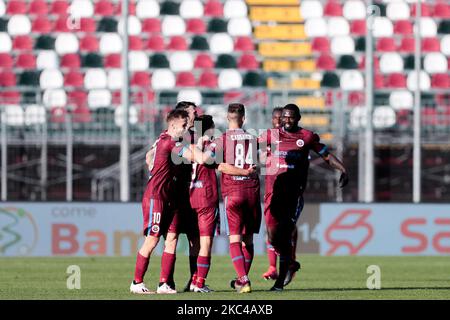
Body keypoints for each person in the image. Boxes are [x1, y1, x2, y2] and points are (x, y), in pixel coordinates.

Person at [260, 103, 348, 291]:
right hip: (272, 194)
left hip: (293, 195)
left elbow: (326, 155)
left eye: (291, 116)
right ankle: (290, 261)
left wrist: (342, 169)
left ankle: (279, 282)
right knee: (272, 236)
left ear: (298, 118)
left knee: (284, 234)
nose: (287, 120)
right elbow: (249, 148)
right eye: (284, 116)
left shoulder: (307, 137)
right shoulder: (271, 135)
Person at [130, 109, 215, 294]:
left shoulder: (167, 139)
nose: (186, 129)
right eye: (184, 125)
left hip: (167, 198)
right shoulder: (169, 142)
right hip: (156, 197)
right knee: (151, 240)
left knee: (170, 241)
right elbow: (194, 156)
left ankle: (164, 284)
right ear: (173, 125)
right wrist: (208, 154)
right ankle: (137, 282)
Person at [189, 114, 256, 293]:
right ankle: (199, 282)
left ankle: (178, 281)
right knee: (205, 243)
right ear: (210, 128)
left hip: (189, 195)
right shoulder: (213, 145)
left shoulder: (185, 146)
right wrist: (246, 171)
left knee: (179, 241)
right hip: (207, 196)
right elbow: (220, 165)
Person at [208, 103, 261, 294]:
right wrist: (249, 172)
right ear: (244, 118)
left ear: (227, 118)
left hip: (233, 192)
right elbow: (257, 166)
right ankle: (242, 279)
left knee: (235, 240)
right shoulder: (253, 139)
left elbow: (216, 164)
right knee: (249, 240)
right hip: (252, 193)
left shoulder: (222, 139)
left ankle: (244, 279)